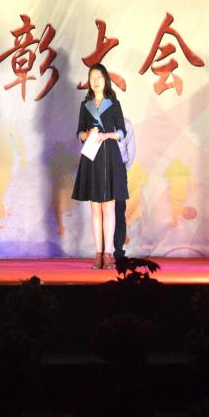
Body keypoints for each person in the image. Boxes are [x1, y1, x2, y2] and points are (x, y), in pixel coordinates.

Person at [72, 63, 129, 270]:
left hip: (111, 157)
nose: (95, 81)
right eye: (92, 78)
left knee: (109, 208)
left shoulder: (114, 104)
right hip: (92, 158)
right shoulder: (85, 105)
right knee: (95, 208)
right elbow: (79, 132)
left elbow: (122, 131)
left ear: (105, 80)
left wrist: (107, 135)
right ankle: (97, 254)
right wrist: (86, 134)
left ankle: (108, 254)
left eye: (99, 77)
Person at [113, 117, 136, 262]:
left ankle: (117, 251)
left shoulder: (125, 123)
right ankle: (106, 251)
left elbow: (131, 150)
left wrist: (123, 169)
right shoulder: (98, 122)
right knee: (106, 211)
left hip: (118, 169)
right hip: (106, 170)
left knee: (119, 211)